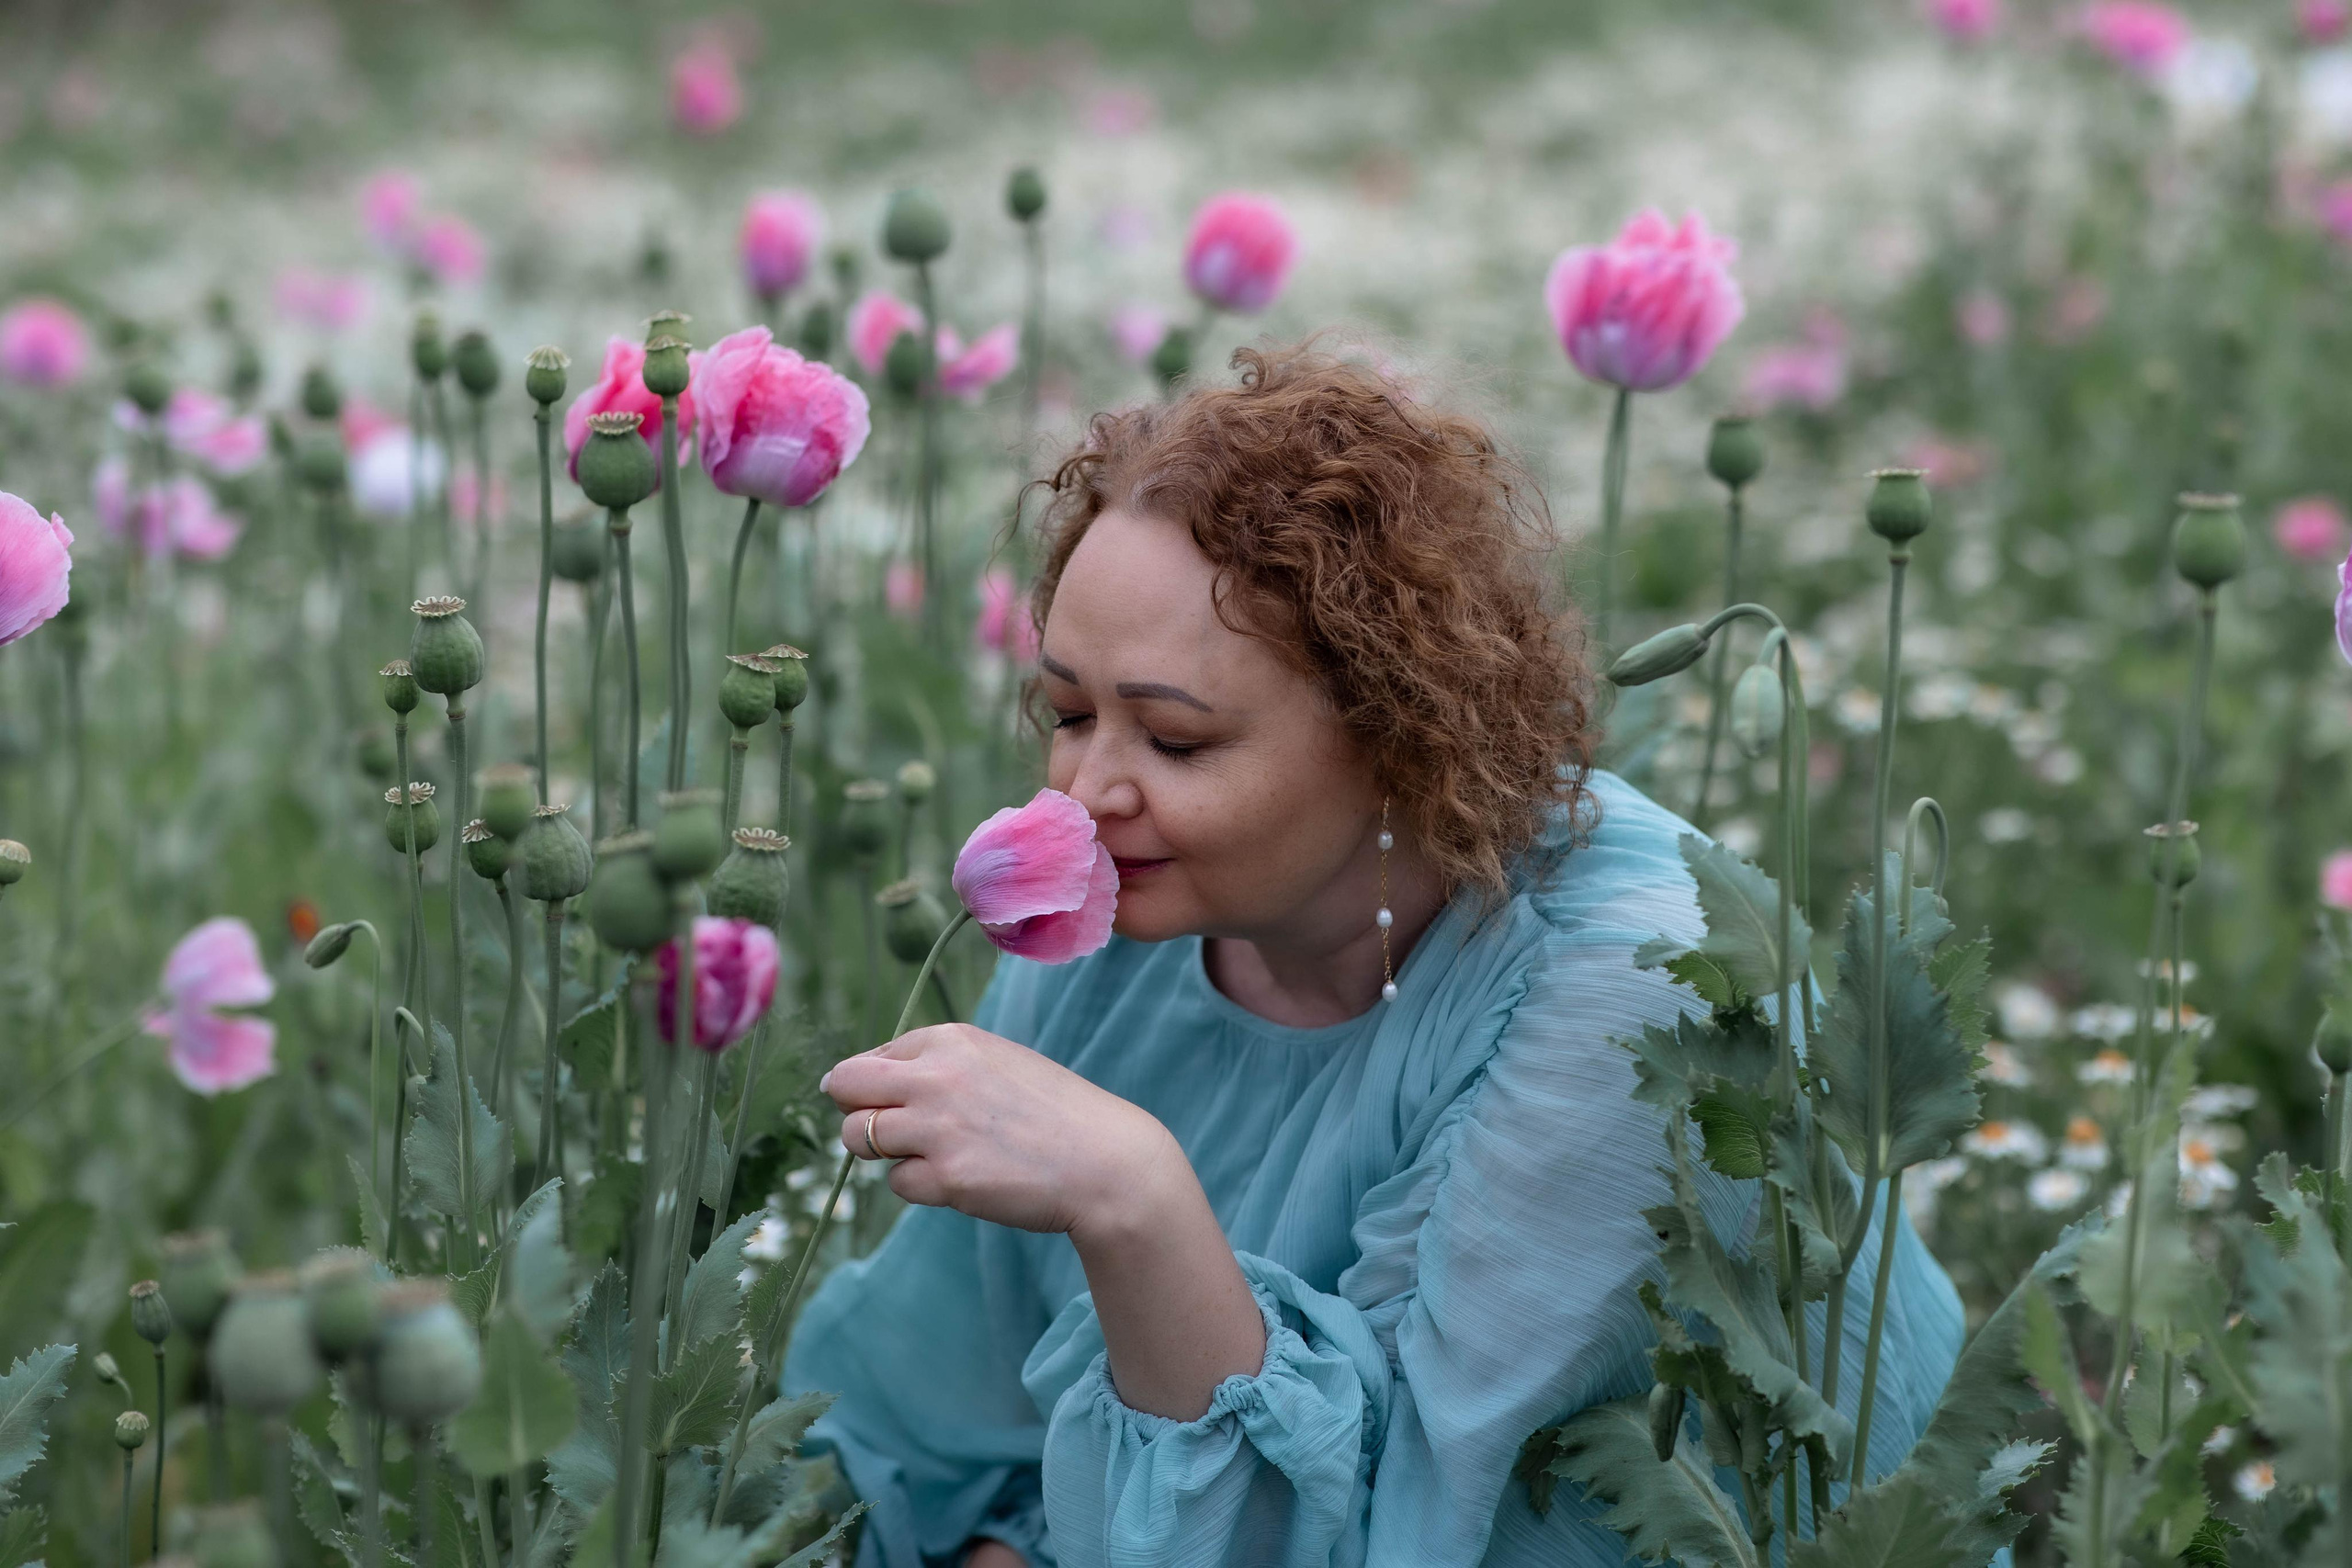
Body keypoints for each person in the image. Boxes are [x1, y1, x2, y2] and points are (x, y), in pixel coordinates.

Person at [789, 343, 1965, 1565]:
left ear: (1397, 734)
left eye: (1176, 742)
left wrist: (1133, 1201)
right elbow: (938, 1407)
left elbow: (1400, 1528)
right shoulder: (1113, 920)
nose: (1085, 794)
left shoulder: (1633, 990)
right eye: (1072, 714)